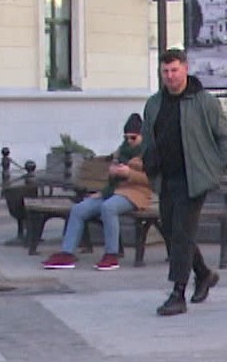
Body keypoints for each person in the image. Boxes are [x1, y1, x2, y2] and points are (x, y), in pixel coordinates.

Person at [141, 48, 227, 316]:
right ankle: (203, 274)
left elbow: (225, 138)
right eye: (165, 71)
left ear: (185, 68)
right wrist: (149, 165)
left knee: (181, 233)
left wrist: (213, 168)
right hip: (165, 177)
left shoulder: (204, 102)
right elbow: (148, 138)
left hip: (193, 179)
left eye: (175, 70)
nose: (170, 76)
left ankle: (177, 293)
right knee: (171, 231)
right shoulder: (155, 103)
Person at [42, 113, 153, 271]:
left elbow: (153, 180)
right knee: (79, 209)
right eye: (126, 137)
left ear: (142, 136)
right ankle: (67, 253)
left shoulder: (149, 152)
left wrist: (129, 173)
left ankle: (111, 255)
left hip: (137, 193)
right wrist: (110, 177)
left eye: (133, 138)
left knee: (108, 208)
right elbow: (111, 177)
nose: (129, 141)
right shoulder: (121, 151)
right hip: (115, 190)